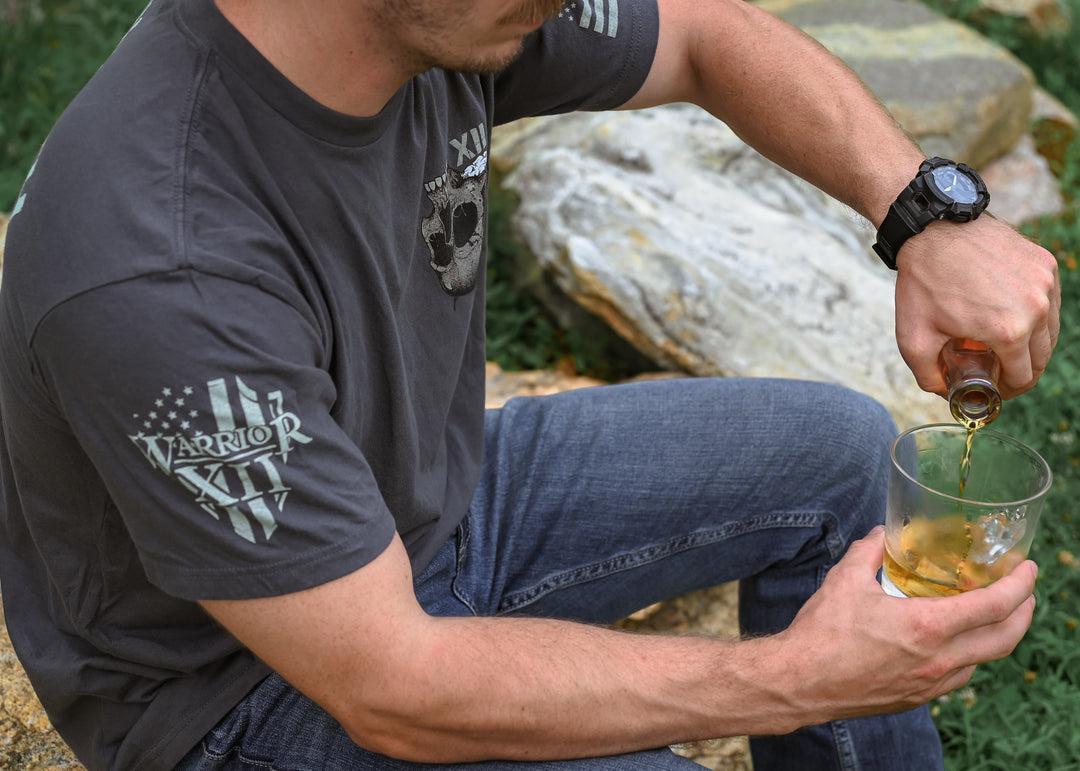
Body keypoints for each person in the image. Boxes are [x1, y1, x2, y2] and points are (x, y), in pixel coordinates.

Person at [0, 0, 1060, 769]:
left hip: (431, 515)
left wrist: (927, 217)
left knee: (840, 457)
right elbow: (395, 689)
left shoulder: (435, 21)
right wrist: (800, 683)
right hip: (250, 694)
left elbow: (704, 35)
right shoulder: (158, 261)